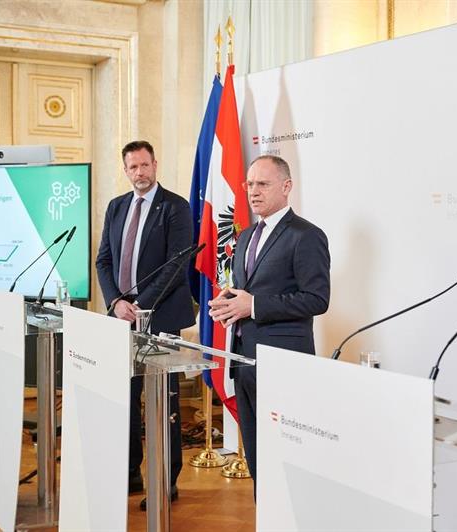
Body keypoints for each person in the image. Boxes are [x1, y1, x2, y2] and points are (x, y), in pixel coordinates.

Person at [207, 155, 331, 491]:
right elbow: (249, 293)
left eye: (263, 184)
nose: (253, 191)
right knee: (259, 461)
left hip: (283, 363)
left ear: (286, 187)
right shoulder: (246, 236)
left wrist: (254, 305)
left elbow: (317, 299)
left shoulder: (306, 236)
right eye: (249, 183)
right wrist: (229, 304)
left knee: (286, 461)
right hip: (245, 363)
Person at [96, 140, 195, 506]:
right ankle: (130, 474)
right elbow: (103, 261)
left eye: (144, 165)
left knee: (162, 405)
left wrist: (139, 304)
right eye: (133, 167)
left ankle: (166, 480)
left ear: (155, 164)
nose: (140, 172)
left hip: (162, 319)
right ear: (125, 170)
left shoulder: (175, 207)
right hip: (120, 320)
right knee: (125, 399)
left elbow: (177, 264)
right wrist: (116, 302)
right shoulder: (116, 206)